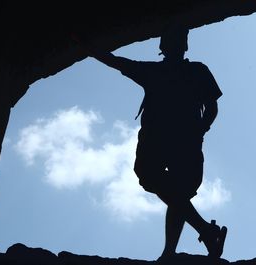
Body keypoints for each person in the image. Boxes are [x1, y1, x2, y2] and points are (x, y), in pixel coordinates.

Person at [71, 23, 227, 260]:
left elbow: (213, 107)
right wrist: (89, 47)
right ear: (165, 45)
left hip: (181, 139)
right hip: (164, 139)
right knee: (165, 184)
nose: (174, 44)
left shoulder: (193, 71)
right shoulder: (161, 72)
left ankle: (173, 250)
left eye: (177, 40)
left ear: (181, 45)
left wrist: (201, 129)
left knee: (175, 190)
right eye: (171, 40)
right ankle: (204, 231)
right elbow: (117, 62)